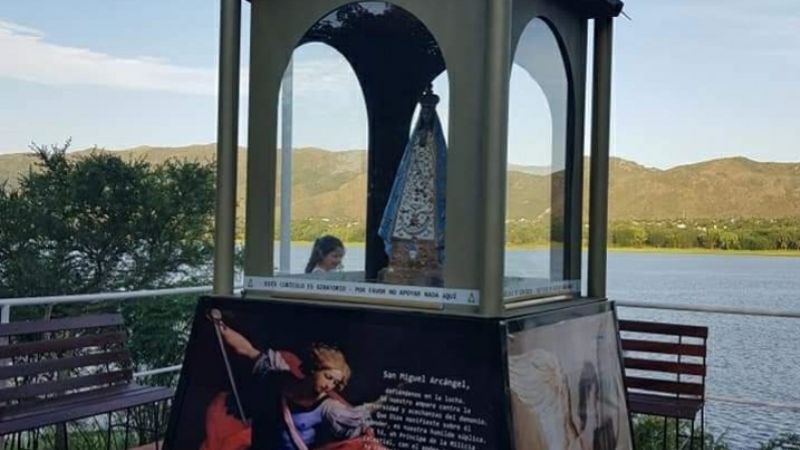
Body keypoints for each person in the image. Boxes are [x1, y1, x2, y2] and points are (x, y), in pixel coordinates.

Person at [200, 313, 386, 450]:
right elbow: (247, 350)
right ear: (314, 369)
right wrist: (220, 325)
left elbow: (359, 425)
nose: (330, 386)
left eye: (336, 383)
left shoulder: (329, 408)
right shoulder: (278, 376)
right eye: (328, 377)